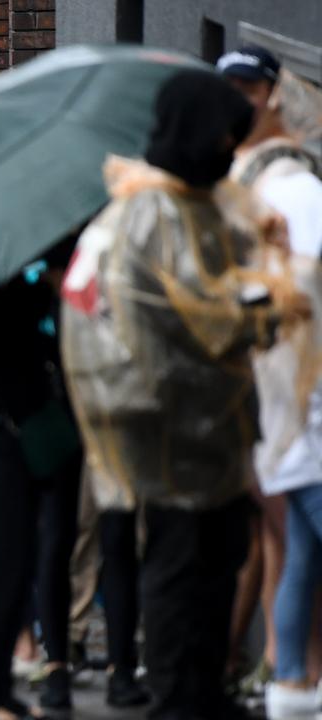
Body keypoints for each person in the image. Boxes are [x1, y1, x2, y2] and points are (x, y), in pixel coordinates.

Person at [62, 70, 310, 720]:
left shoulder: (188, 202)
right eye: (226, 134)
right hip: (170, 431)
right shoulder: (153, 215)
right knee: (181, 567)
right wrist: (265, 311)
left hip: (207, 432)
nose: (232, 148)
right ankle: (179, 697)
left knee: (216, 561)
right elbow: (194, 318)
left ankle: (202, 688)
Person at [222, 46, 322, 718]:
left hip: (263, 401)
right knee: (293, 541)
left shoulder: (231, 194)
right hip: (297, 399)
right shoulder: (293, 192)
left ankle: (291, 679)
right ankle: (288, 675)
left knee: (293, 547)